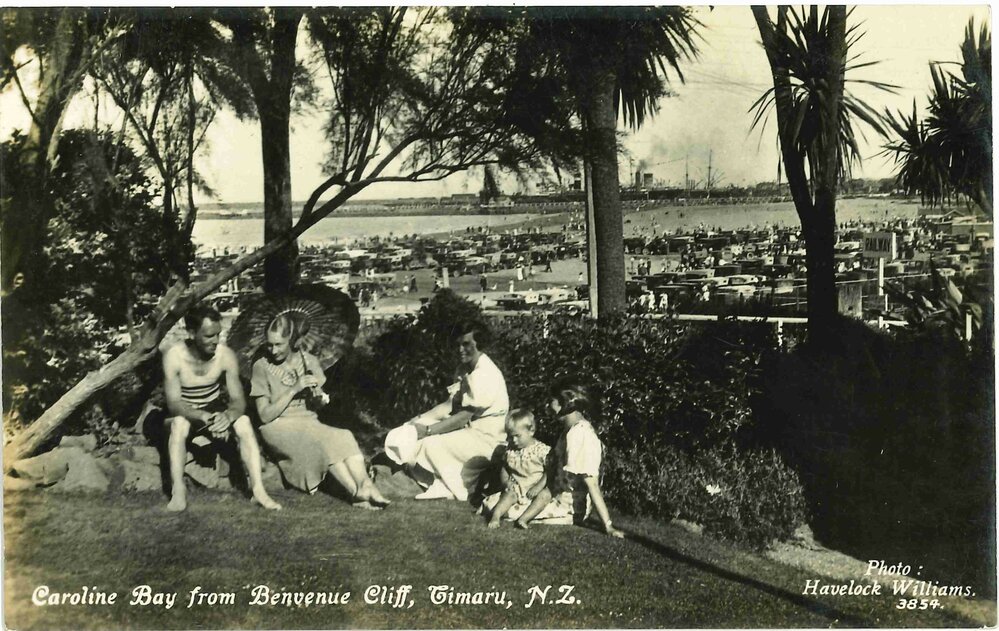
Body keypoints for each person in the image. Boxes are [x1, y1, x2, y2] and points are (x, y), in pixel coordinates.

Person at [251, 313, 390, 508]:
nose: (273, 350)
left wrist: (318, 398)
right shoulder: (261, 367)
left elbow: (317, 400)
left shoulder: (308, 361)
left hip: (308, 422)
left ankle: (364, 485)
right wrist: (294, 389)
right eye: (270, 344)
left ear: (291, 341)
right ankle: (355, 492)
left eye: (279, 344)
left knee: (344, 435)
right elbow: (264, 415)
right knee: (323, 442)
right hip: (278, 426)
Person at [162, 305, 281, 512]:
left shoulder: (225, 355)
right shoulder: (174, 356)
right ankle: (178, 492)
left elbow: (238, 400)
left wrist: (228, 416)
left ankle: (258, 491)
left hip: (213, 408)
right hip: (185, 411)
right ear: (191, 333)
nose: (216, 341)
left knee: (243, 422)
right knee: (179, 424)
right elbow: (173, 404)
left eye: (218, 334)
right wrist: (203, 416)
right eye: (209, 336)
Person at [384, 321, 509, 501]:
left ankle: (450, 486)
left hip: (487, 441)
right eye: (458, 344)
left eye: (466, 344)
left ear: (479, 344)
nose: (460, 349)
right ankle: (435, 480)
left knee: (430, 442)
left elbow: (462, 417)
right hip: (469, 432)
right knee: (410, 431)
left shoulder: (484, 374)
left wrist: (427, 431)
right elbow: (449, 405)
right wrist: (417, 420)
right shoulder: (464, 370)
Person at [515, 381, 623, 538]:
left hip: (570, 507)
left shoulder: (581, 435)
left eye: (551, 400)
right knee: (503, 500)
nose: (548, 405)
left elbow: (592, 483)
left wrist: (608, 526)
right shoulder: (570, 431)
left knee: (510, 509)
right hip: (554, 497)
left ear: (564, 403)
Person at [483, 410, 550, 528]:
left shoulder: (541, 450)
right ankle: (495, 517)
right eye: (511, 436)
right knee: (508, 495)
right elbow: (505, 467)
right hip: (517, 487)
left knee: (546, 495)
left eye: (517, 436)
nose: (514, 440)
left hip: (535, 488)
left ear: (531, 431)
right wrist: (505, 481)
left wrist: (539, 486)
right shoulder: (511, 451)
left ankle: (524, 519)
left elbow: (549, 471)